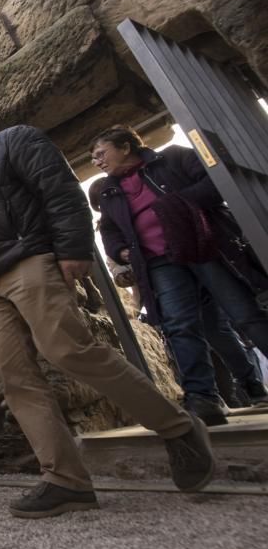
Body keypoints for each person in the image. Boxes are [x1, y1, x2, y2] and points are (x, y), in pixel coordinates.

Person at [0, 102, 214, 519]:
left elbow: (59, 190)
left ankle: (178, 428)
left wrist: (75, 248)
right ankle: (66, 480)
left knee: (67, 350)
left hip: (28, 260)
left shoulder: (14, 141)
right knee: (14, 378)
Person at [92, 126, 268, 422]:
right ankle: (203, 399)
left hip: (204, 249)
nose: (97, 161)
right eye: (93, 158)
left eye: (101, 153)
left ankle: (250, 385)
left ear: (124, 147)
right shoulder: (110, 191)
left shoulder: (173, 159)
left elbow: (214, 183)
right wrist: (122, 251)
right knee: (179, 326)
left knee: (244, 315)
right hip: (160, 262)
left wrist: (173, 205)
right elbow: (109, 228)